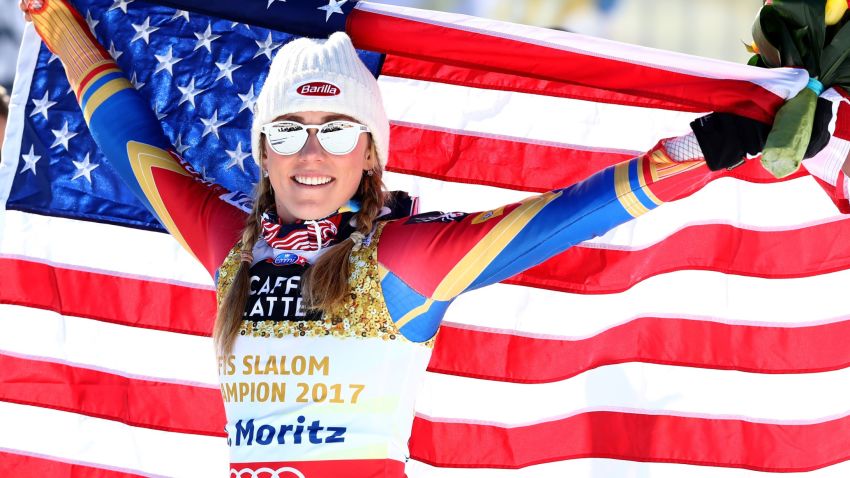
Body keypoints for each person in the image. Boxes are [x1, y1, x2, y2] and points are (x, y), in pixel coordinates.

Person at [20, 0, 833, 476]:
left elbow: (564, 217)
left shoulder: (402, 261)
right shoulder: (234, 251)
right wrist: (57, 27)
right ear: (262, 150)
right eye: (291, 131)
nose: (312, 153)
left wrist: (704, 149)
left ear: (371, 154)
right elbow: (136, 147)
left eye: (338, 131)